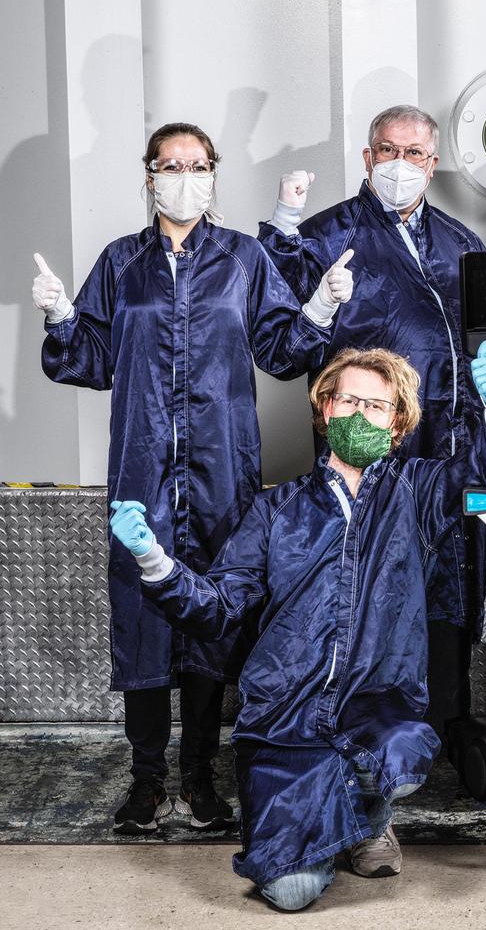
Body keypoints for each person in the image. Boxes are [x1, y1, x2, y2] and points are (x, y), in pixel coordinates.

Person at [106, 345, 486, 911]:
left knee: (402, 755)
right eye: (349, 400)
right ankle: (331, 822)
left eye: (377, 406)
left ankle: (368, 818)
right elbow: (215, 609)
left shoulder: (418, 492)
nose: (360, 414)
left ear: (398, 424)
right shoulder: (274, 512)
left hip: (375, 704)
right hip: (287, 717)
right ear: (324, 409)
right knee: (291, 892)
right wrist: (156, 563)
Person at [35, 122, 345, 834]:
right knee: (143, 617)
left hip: (223, 473)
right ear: (148, 176)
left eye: (196, 164)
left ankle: (202, 778)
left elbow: (280, 352)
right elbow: (88, 359)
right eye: (169, 165)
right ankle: (146, 782)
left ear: (214, 174)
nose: (183, 175)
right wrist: (60, 316)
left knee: (213, 612)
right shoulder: (121, 263)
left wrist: (319, 308)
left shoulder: (244, 259)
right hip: (142, 470)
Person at [257, 105, 486, 756]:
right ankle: (364, 732)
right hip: (374, 452)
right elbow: (275, 346)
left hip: (452, 449)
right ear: (367, 158)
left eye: (415, 154)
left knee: (448, 584)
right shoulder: (323, 238)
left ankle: (446, 720)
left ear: (433, 162)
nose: (401, 164)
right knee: (367, 590)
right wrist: (286, 239)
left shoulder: (458, 241)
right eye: (388, 151)